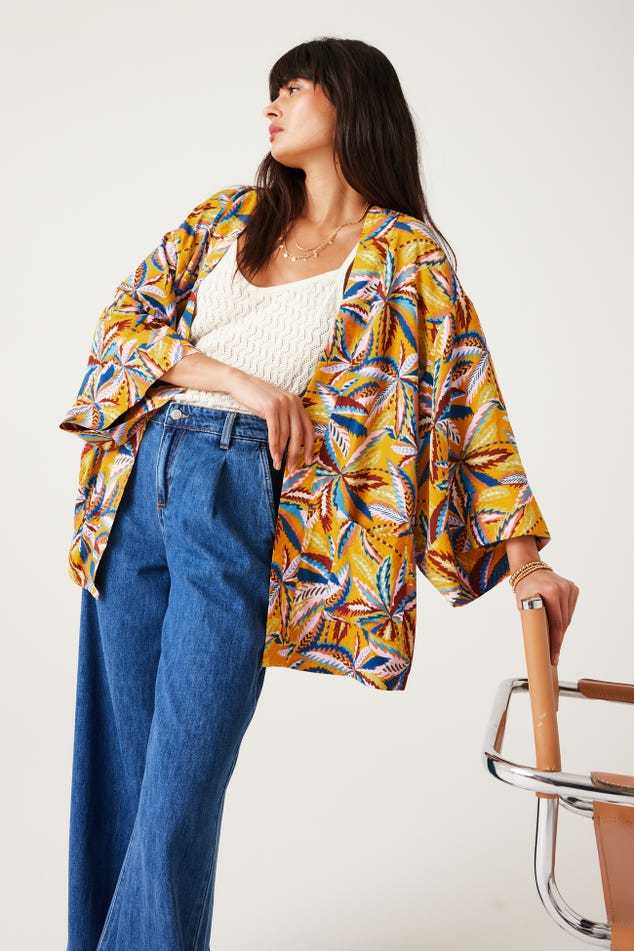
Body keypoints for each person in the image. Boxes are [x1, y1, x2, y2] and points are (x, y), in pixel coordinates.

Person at [60, 36, 579, 951]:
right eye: (273, 89)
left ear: (352, 103)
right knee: (120, 774)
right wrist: (247, 383)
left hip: (241, 494)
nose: (274, 103)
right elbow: (121, 327)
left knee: (178, 792)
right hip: (139, 484)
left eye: (296, 87)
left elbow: (469, 404)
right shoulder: (228, 216)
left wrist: (527, 562)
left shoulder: (404, 255)